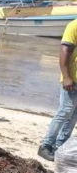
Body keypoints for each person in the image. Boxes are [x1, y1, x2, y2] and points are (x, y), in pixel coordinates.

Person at [37, 19, 77, 161]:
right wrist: (66, 76)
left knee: (73, 117)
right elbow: (64, 51)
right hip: (72, 79)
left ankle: (60, 146)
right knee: (65, 111)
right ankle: (46, 146)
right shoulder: (74, 26)